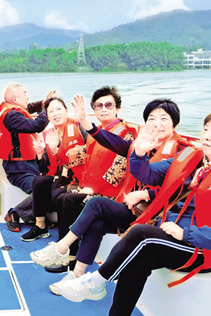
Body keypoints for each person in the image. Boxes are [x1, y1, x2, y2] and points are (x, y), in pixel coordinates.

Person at [54, 107, 211, 316]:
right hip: (171, 236)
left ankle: (96, 281)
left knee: (141, 233)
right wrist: (139, 154)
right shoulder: (193, 158)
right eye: (205, 129)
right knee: (139, 261)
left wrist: (187, 233)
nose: (206, 136)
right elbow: (149, 175)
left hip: (202, 247)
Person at [31, 99, 191, 283]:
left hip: (156, 214)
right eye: (152, 119)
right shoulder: (140, 144)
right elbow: (111, 142)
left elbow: (182, 188)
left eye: (163, 119)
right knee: (96, 223)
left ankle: (61, 248)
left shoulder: (182, 151)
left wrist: (147, 194)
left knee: (94, 203)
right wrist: (85, 124)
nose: (157, 124)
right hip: (134, 208)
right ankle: (77, 275)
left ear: (175, 124)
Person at [30, 86, 137, 271]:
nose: (103, 109)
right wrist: (56, 150)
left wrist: (92, 189)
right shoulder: (96, 133)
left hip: (110, 195)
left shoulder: (125, 133)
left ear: (117, 108)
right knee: (62, 198)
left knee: (69, 200)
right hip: (89, 188)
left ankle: (67, 255)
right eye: (98, 106)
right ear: (94, 109)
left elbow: (119, 170)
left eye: (109, 105)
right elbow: (77, 159)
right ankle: (67, 255)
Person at [20, 96, 87, 242]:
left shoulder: (80, 128)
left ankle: (67, 237)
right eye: (51, 111)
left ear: (66, 111)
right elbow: (44, 168)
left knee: (58, 193)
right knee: (39, 181)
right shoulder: (49, 134)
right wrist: (39, 154)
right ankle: (40, 227)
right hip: (61, 176)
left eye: (59, 109)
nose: (56, 113)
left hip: (80, 178)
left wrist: (56, 148)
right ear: (48, 117)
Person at [0, 84, 56, 231]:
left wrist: (44, 103)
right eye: (25, 94)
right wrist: (47, 108)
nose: (28, 97)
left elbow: (28, 108)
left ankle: (37, 214)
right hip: (18, 168)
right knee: (44, 190)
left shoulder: (11, 110)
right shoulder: (11, 116)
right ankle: (15, 213)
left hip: (29, 164)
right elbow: (37, 125)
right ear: (15, 99)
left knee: (54, 187)